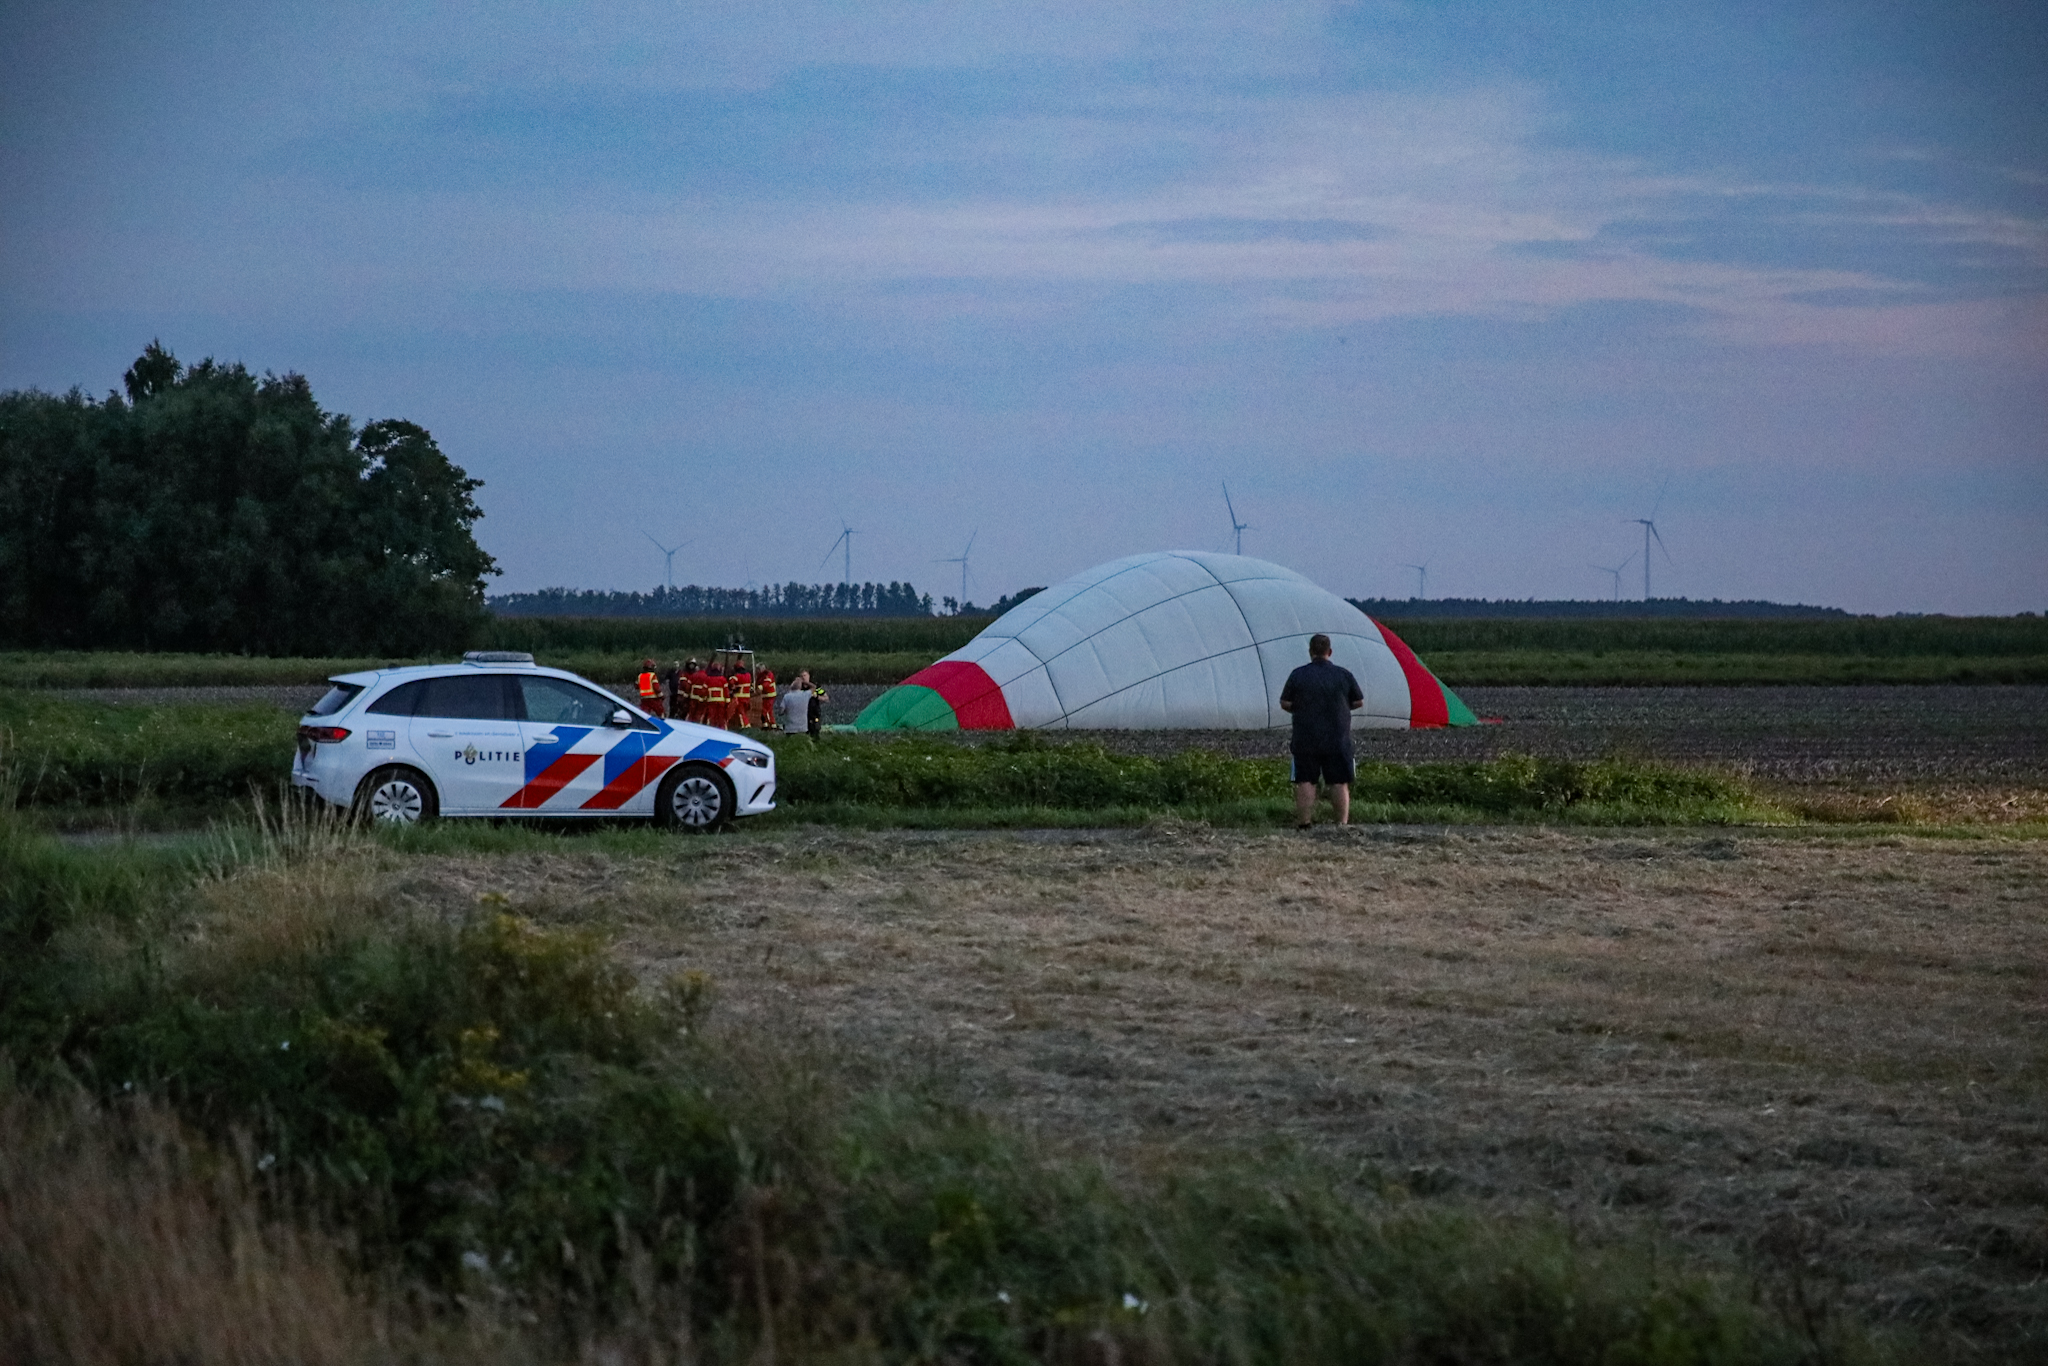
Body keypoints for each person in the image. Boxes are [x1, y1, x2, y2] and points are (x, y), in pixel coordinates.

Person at [1278, 633, 1363, 828]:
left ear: (1310, 652)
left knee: (1306, 780)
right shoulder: (1344, 674)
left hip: (1306, 736)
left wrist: (1301, 709)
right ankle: (1341, 824)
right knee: (1339, 782)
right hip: (1338, 737)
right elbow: (1358, 701)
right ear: (1329, 652)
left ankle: (1305, 823)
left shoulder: (1298, 674)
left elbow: (1285, 702)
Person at [757, 665, 777, 731]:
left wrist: (760, 687)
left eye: (758, 669)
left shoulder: (768, 674)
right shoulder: (760, 675)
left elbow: (766, 684)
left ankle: (771, 724)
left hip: (770, 694)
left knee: (767, 710)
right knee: (766, 710)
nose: (758, 671)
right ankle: (766, 724)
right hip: (765, 695)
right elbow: (757, 683)